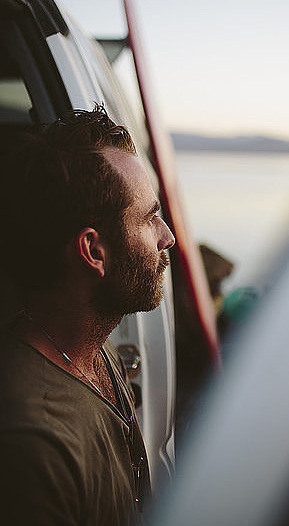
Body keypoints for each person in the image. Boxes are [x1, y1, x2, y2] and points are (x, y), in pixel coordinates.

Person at [0, 105, 175, 525]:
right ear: (93, 251)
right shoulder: (34, 442)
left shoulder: (93, 345)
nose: (166, 237)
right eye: (150, 219)